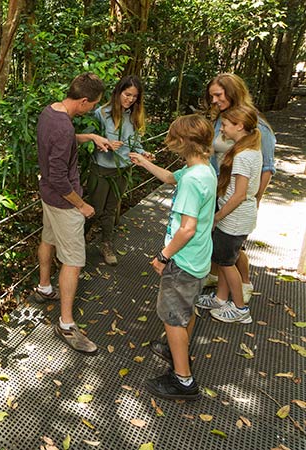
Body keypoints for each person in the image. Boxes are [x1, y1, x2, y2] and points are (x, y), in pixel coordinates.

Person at [128, 114, 216, 400]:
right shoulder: (203, 170)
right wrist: (143, 162)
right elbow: (168, 177)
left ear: (183, 142)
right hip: (199, 258)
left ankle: (184, 380)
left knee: (173, 318)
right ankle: (177, 350)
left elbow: (187, 229)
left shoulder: (192, 181)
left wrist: (163, 256)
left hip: (183, 260)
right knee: (184, 311)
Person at [28, 72, 113, 354]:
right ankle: (66, 323)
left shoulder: (50, 111)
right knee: (74, 261)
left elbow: (58, 142)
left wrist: (88, 137)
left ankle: (44, 288)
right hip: (64, 202)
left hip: (48, 197)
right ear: (84, 101)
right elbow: (59, 177)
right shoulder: (63, 128)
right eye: (93, 105)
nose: (92, 110)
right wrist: (82, 205)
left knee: (48, 239)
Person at [202, 73, 276, 303]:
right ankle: (218, 286)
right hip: (219, 189)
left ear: (232, 92)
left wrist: (255, 200)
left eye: (218, 95)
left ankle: (243, 285)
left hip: (238, 196)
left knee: (232, 244)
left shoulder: (256, 126)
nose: (213, 100)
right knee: (220, 241)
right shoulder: (222, 119)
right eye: (211, 96)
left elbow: (266, 168)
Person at [196, 105, 263, 324]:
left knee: (226, 263)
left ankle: (240, 308)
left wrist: (217, 216)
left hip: (234, 218)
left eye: (225, 125)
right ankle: (221, 298)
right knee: (225, 258)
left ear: (239, 126)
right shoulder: (249, 149)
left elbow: (239, 194)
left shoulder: (243, 156)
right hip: (238, 217)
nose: (222, 129)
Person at [85, 75, 152, 265]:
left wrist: (143, 154)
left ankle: (106, 243)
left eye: (134, 97)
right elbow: (90, 141)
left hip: (122, 170)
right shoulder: (102, 113)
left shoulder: (134, 116)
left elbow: (136, 145)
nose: (130, 99)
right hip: (101, 169)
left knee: (112, 209)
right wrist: (104, 145)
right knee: (95, 210)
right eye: (127, 94)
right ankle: (78, 241)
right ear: (118, 92)